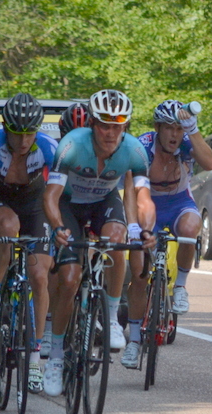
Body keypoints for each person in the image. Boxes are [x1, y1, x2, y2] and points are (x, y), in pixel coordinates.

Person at [42, 89, 156, 396]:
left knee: (116, 240)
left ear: (125, 126)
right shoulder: (71, 146)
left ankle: (111, 313)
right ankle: (54, 356)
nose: (110, 132)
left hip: (103, 201)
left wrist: (145, 230)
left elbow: (143, 199)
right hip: (69, 206)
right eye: (104, 124)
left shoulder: (134, 151)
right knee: (68, 279)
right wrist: (57, 227)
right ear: (92, 123)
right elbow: (51, 196)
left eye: (118, 125)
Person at [0, 93, 57, 394]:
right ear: (5, 128)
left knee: (39, 276)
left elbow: (61, 192)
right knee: (7, 227)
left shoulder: (48, 147)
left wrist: (63, 227)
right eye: (17, 133)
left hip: (35, 203)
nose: (23, 140)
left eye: (30, 132)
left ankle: (35, 358)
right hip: (1, 199)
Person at [120, 99, 212, 369]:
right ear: (157, 128)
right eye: (169, 128)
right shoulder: (142, 147)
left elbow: (208, 162)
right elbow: (131, 193)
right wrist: (135, 227)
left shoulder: (186, 142)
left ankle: (181, 286)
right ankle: (135, 340)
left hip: (178, 204)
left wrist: (192, 129)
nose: (175, 134)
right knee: (138, 275)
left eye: (178, 128)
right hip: (145, 203)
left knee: (189, 229)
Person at [39, 101, 91, 358]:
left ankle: (93, 304)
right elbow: (48, 193)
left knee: (97, 247)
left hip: (89, 204)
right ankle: (49, 323)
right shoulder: (57, 152)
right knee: (54, 262)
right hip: (62, 205)